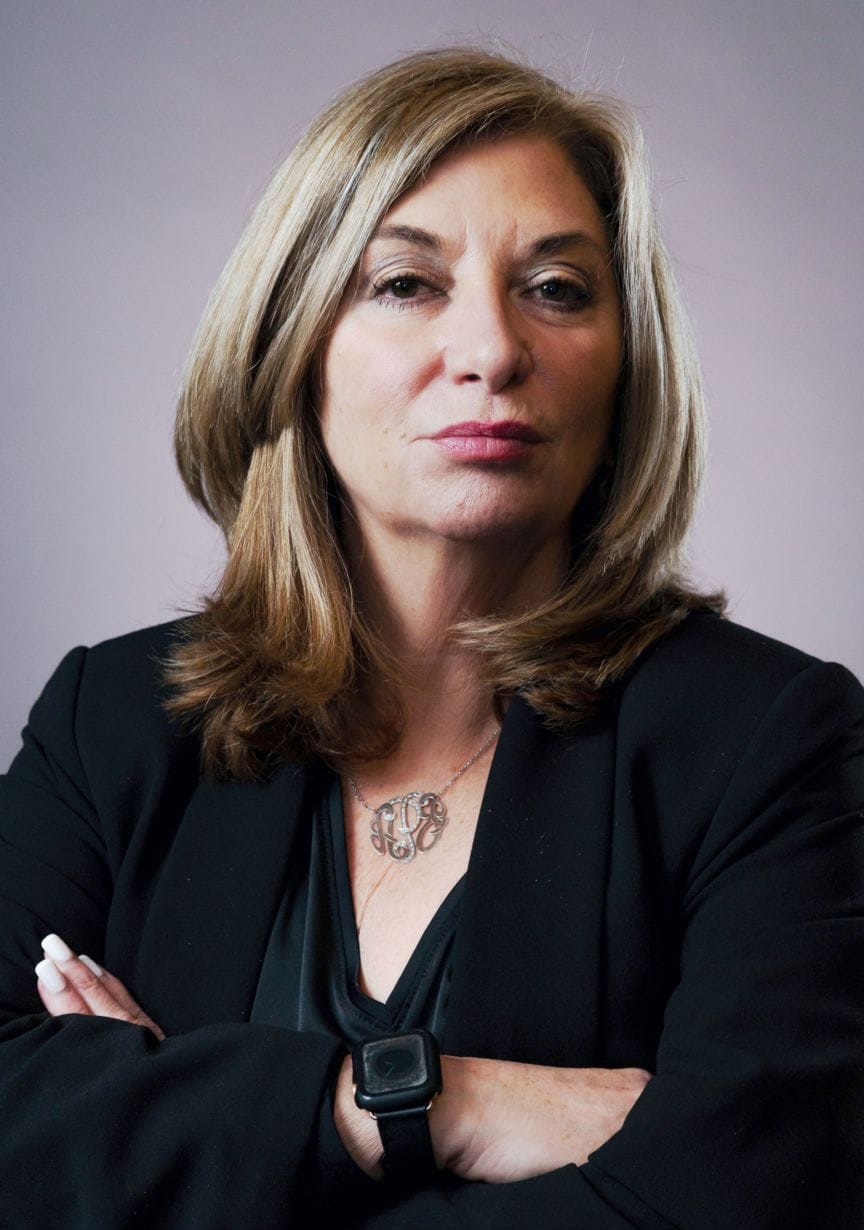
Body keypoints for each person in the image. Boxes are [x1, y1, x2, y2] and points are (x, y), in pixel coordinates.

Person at [1, 46, 861, 1230]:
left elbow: (753, 1198)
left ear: (628, 363)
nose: (493, 351)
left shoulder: (776, 743)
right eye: (406, 283)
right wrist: (425, 1106)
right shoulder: (111, 723)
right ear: (292, 345)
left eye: (557, 288)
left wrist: (169, 1137)